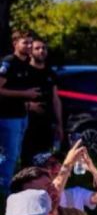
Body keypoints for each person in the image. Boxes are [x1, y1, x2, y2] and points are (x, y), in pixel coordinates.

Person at [0, 30, 41, 193]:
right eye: (25, 42)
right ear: (15, 44)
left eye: (31, 42)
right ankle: (5, 191)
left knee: (15, 154)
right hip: (8, 116)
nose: (29, 46)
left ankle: (8, 186)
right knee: (9, 155)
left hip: (22, 115)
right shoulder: (9, 62)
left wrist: (28, 103)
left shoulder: (26, 64)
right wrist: (25, 94)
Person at [22, 37, 61, 166]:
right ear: (30, 51)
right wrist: (28, 105)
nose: (41, 51)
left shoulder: (50, 73)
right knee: (27, 159)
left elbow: (55, 99)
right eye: (37, 48)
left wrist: (59, 124)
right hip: (27, 122)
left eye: (44, 48)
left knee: (44, 159)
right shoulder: (24, 71)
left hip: (47, 123)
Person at [33, 150, 97, 211]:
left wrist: (93, 169)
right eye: (50, 165)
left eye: (58, 162)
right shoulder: (38, 198)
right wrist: (67, 167)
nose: (58, 167)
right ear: (39, 172)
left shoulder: (75, 193)